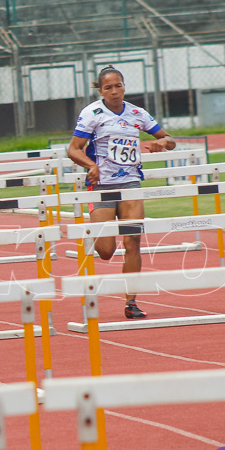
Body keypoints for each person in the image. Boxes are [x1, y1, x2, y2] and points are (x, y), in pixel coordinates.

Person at [67, 65, 175, 319]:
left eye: (118, 86)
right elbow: (73, 149)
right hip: (102, 186)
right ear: (101, 90)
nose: (114, 92)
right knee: (106, 251)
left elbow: (170, 139)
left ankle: (131, 302)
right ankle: (95, 226)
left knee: (133, 241)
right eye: (108, 87)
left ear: (124, 87)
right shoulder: (92, 113)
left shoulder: (137, 113)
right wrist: (91, 165)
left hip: (130, 184)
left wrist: (162, 142)